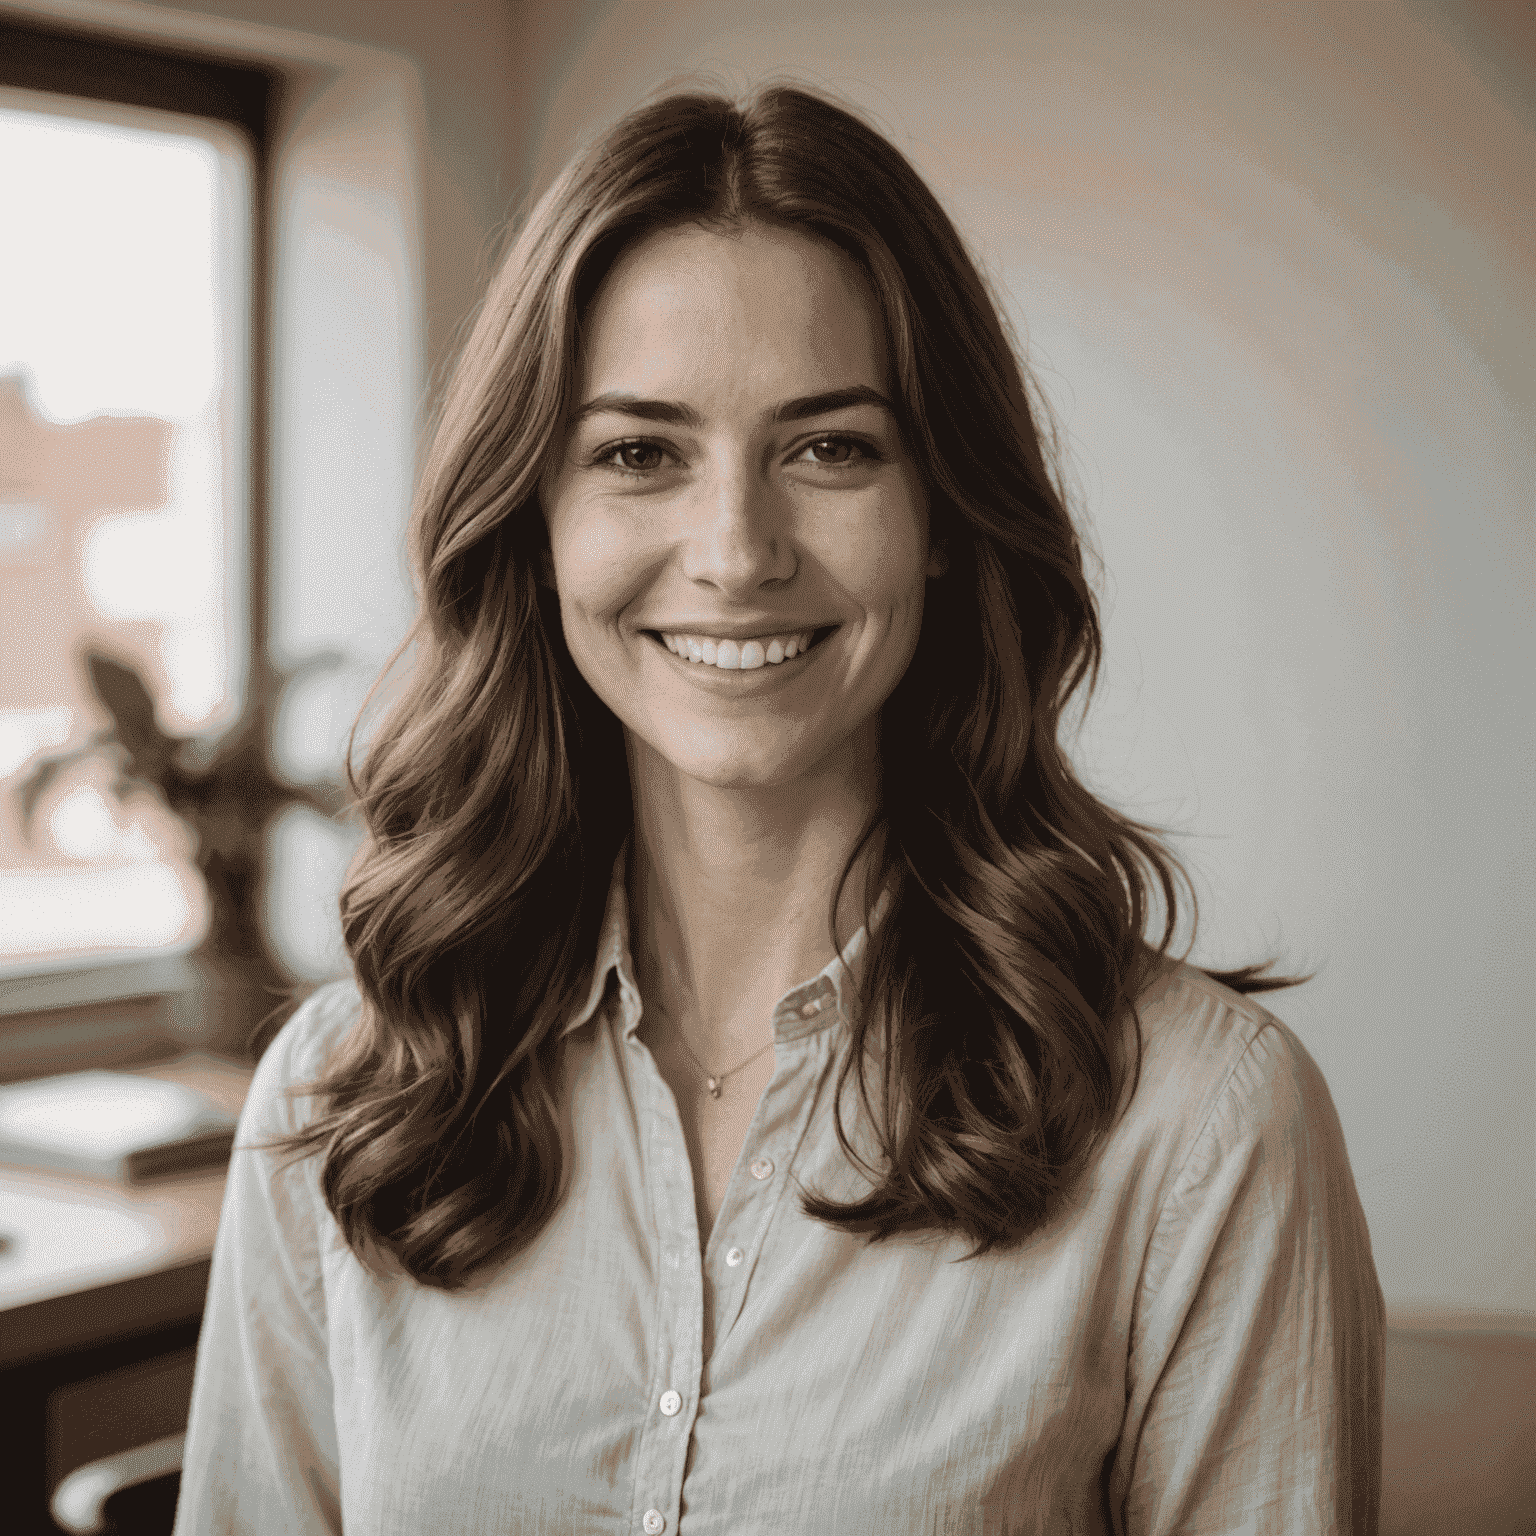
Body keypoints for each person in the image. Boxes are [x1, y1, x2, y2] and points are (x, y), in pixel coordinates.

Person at [175, 84, 1384, 1535]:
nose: (738, 551)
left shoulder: (1201, 1125)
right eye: (639, 453)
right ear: (534, 517)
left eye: (831, 448)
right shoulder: (340, 1095)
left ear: (942, 515)